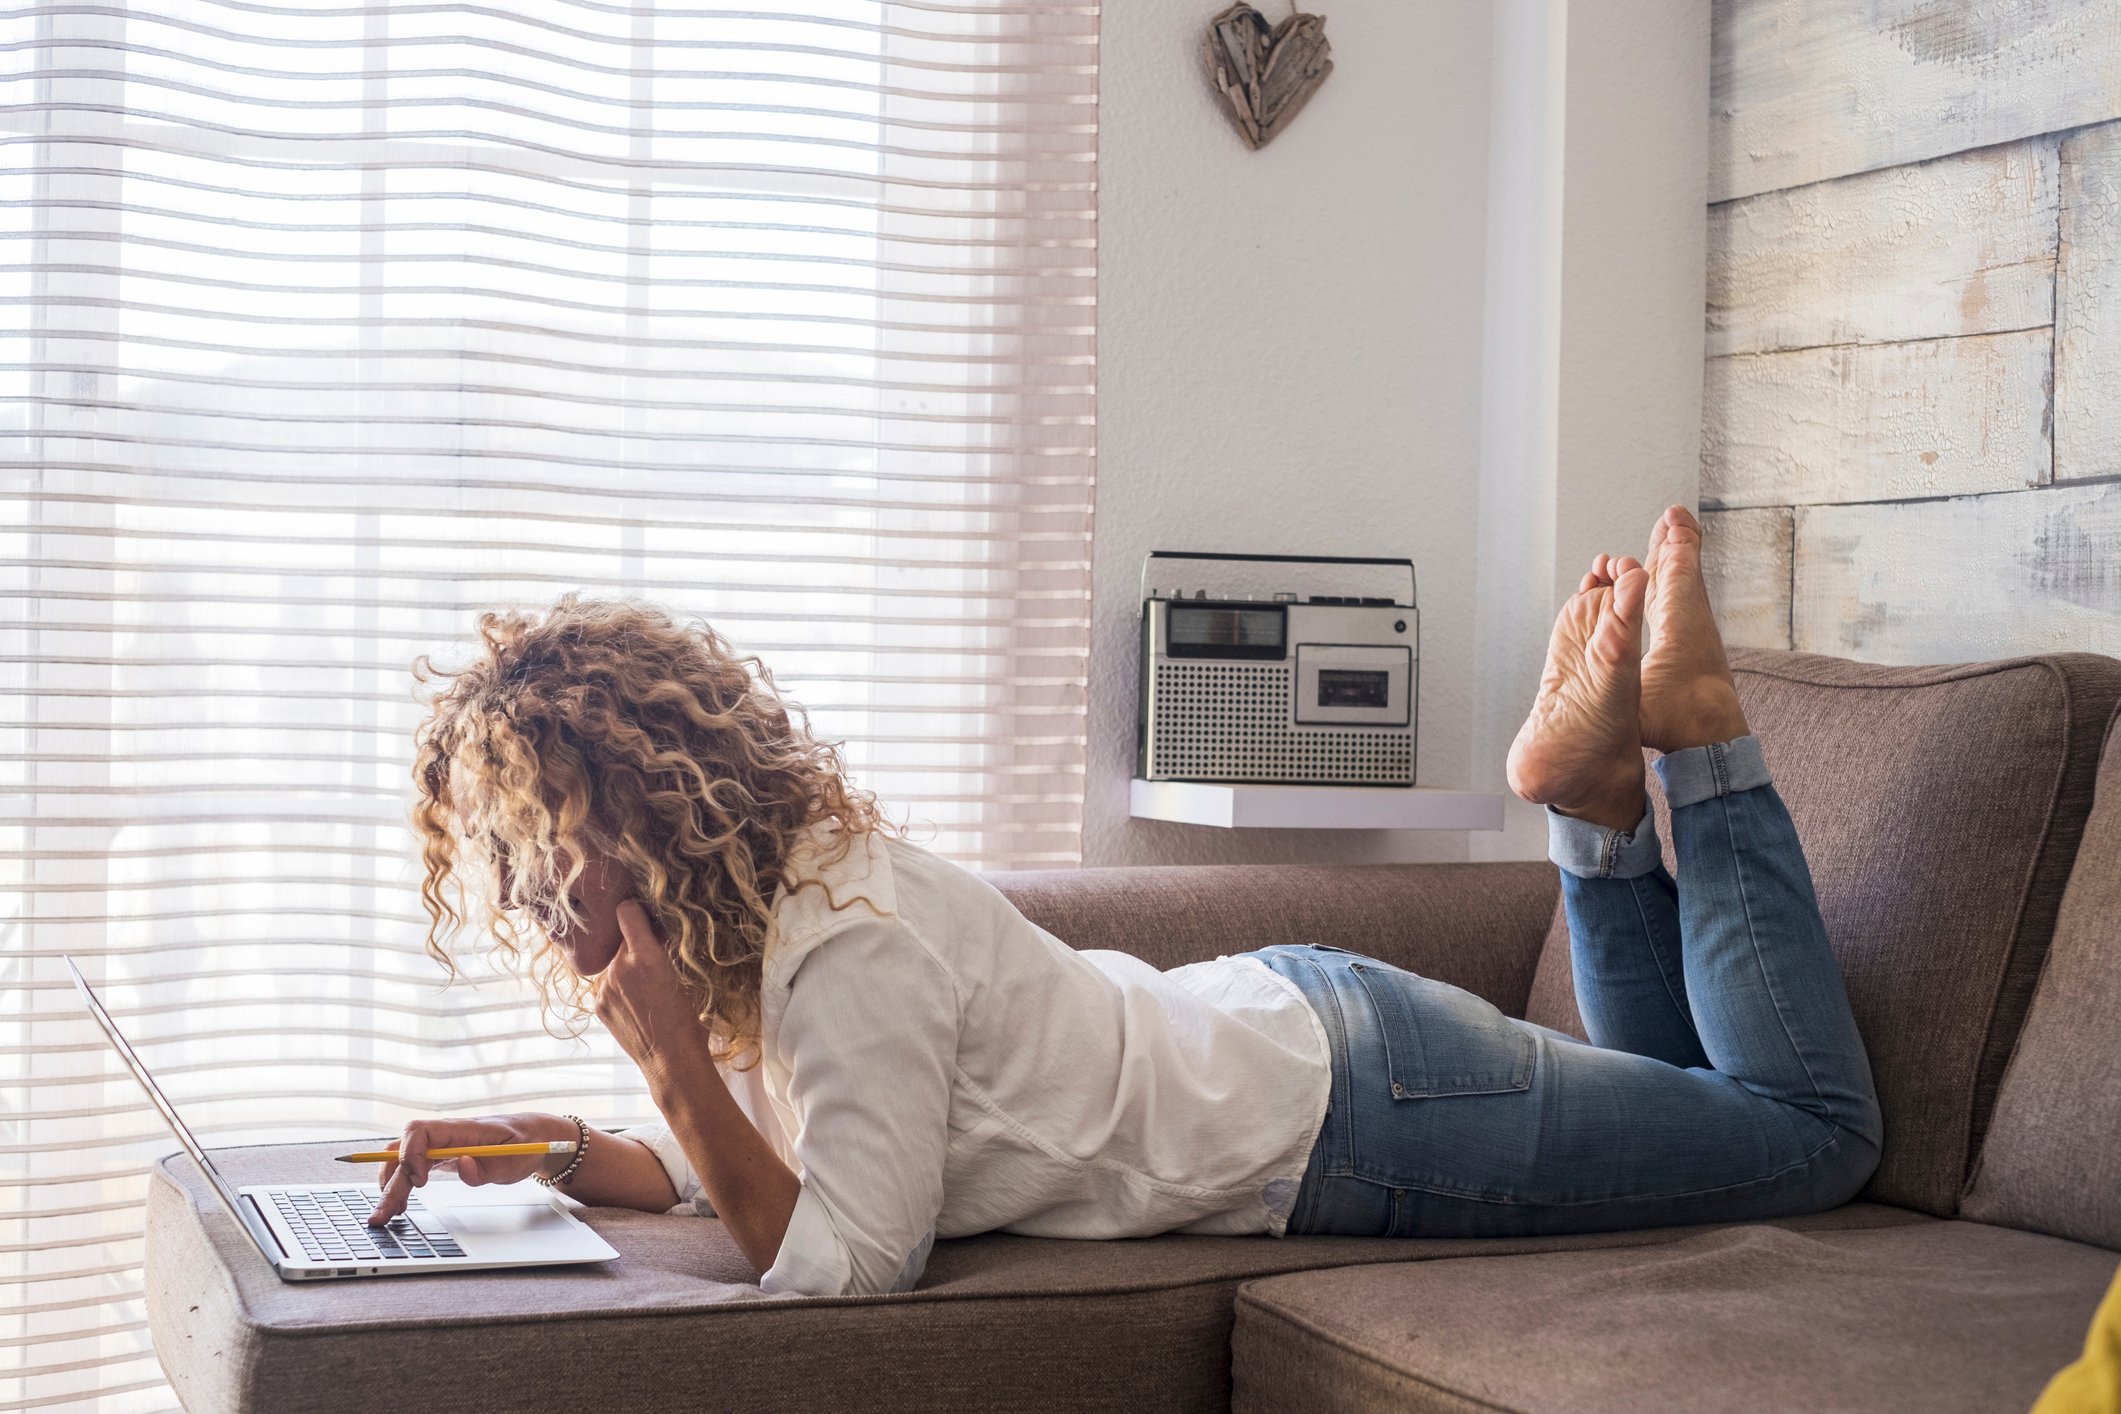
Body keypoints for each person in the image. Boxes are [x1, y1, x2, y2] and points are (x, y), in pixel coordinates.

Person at [367, 506, 1882, 1298]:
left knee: (1812, 1139)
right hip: (1316, 1039)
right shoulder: (783, 915)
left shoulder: (841, 954)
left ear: (642, 826)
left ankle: (1699, 750)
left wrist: (667, 1067)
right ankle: (1599, 808)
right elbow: (734, 1170)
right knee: (1692, 1098)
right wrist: (538, 1148)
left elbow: (841, 1262)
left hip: (1360, 1115)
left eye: (535, 853)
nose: (525, 900)